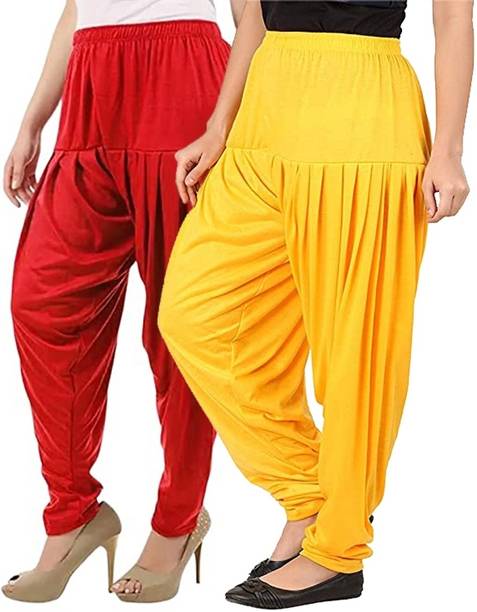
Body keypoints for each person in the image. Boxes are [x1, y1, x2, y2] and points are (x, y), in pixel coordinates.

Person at [159, 0, 474, 608]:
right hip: (264, 114)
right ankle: (312, 496)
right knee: (195, 314)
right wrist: (219, 126)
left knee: (354, 353)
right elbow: (255, 15)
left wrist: (449, 149)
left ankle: (336, 550)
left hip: (363, 113)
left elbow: (454, 19)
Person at [2, 0, 245, 604]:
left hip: (183, 87)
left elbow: (254, 16)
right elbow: (78, 8)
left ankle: (178, 519)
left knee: (181, 328)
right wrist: (33, 119)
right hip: (91, 97)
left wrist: (226, 124)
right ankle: (73, 513)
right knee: (43, 304)